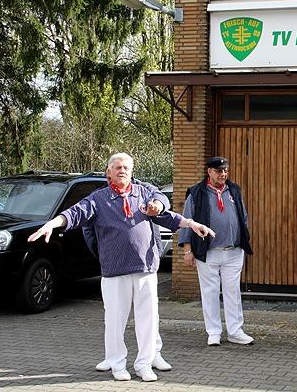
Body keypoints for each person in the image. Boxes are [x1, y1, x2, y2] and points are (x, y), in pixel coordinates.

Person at [28, 153, 215, 382]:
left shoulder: (143, 194)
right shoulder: (98, 199)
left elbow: (167, 217)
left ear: (132, 171)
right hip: (115, 271)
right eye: (117, 167)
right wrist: (52, 223)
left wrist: (192, 224)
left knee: (148, 320)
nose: (122, 171)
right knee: (115, 321)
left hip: (145, 268)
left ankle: (144, 364)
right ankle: (117, 364)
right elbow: (74, 213)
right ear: (109, 172)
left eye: (126, 167)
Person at [82, 178, 172, 374]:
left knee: (149, 315)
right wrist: (103, 252)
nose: (119, 174)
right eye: (114, 170)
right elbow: (88, 228)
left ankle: (153, 355)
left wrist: (156, 252)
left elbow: (161, 203)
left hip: (144, 263)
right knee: (114, 315)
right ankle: (113, 358)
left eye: (125, 168)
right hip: (115, 266)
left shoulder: (144, 189)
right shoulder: (100, 196)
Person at [178, 156, 254, 346]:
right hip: (208, 251)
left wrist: (243, 237)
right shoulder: (196, 193)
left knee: (233, 292)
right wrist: (187, 250)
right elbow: (187, 221)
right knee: (210, 292)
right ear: (209, 172)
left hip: (233, 251)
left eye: (225, 171)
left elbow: (243, 217)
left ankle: (235, 332)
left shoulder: (234, 190)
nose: (223, 174)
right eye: (219, 171)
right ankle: (213, 332)